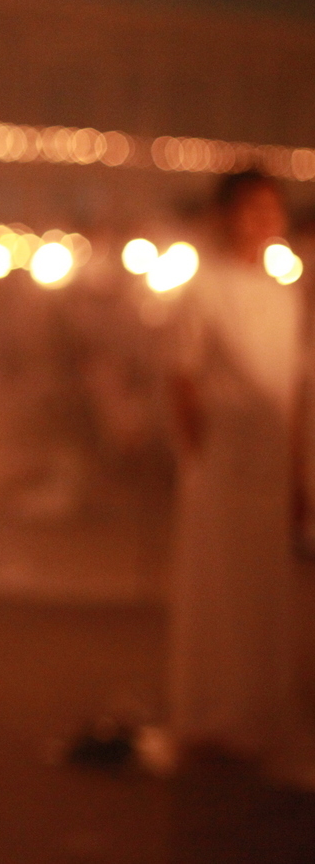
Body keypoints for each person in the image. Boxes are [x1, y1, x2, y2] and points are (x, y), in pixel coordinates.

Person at [167, 170, 312, 784]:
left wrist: (296, 468)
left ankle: (258, 719)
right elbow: (183, 375)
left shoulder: (286, 294)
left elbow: (294, 386)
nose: (263, 220)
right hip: (222, 460)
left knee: (265, 593)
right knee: (216, 590)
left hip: (271, 462)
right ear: (227, 214)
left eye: (271, 209)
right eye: (252, 208)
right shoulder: (204, 288)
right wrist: (201, 453)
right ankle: (208, 717)